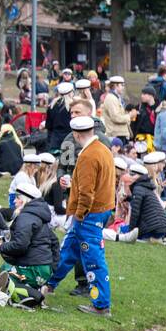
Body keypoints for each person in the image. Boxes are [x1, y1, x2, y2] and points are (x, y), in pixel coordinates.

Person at [42, 116, 115, 315]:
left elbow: (87, 193)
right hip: (100, 210)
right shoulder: (103, 150)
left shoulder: (87, 156)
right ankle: (49, 284)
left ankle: (101, 304)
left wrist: (80, 214)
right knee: (69, 249)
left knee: (93, 259)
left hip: (89, 214)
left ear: (76, 134)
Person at [0, 184, 58, 288]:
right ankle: (36, 288)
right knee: (6, 267)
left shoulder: (25, 218)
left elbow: (20, 245)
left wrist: (1, 246)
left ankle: (31, 293)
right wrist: (53, 268)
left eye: (17, 198)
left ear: (25, 200)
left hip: (33, 270)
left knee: (3, 277)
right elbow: (55, 242)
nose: (14, 201)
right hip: (45, 270)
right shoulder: (39, 217)